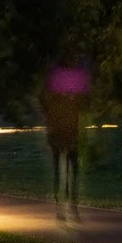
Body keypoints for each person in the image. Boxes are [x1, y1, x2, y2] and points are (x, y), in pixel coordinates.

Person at [42, 59, 89, 219]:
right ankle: (66, 205)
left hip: (66, 134)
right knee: (68, 170)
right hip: (65, 135)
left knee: (65, 170)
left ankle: (66, 205)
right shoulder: (67, 98)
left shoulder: (60, 96)